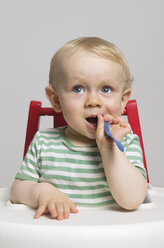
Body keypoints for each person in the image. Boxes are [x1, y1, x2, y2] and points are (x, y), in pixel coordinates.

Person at [10, 37, 148, 221]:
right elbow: (17, 190)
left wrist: (109, 149)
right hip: (55, 236)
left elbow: (132, 200)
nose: (93, 100)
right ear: (56, 100)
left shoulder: (126, 142)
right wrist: (43, 192)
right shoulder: (44, 142)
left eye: (106, 89)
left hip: (110, 236)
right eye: (78, 89)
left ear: (123, 101)